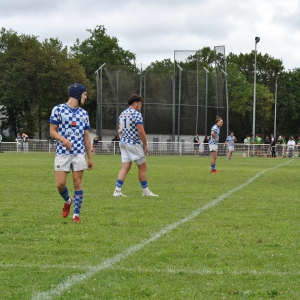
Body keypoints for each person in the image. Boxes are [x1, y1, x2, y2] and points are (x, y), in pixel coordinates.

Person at [49, 83, 93, 223]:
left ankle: (76, 215)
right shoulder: (58, 109)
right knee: (60, 184)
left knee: (77, 182)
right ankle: (68, 201)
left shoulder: (83, 114)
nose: (86, 97)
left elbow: (86, 136)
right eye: (84, 94)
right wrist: (63, 140)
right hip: (62, 152)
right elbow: (52, 131)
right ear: (77, 95)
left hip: (79, 153)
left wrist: (90, 157)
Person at [113, 94, 157, 197]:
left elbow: (119, 131)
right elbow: (141, 131)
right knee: (143, 167)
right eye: (140, 104)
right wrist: (145, 144)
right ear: (135, 103)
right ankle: (145, 191)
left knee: (125, 167)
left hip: (123, 142)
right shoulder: (136, 114)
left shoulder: (122, 114)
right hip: (133, 143)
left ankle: (117, 191)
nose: (140, 106)